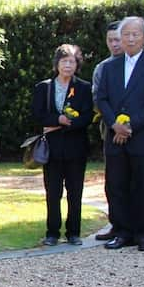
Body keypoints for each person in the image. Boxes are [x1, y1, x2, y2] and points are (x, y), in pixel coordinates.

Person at [93, 16, 144, 251]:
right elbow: (101, 98)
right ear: (120, 38)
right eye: (127, 34)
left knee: (143, 186)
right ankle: (122, 230)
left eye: (136, 34)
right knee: (116, 184)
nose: (131, 38)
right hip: (114, 136)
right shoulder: (109, 67)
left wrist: (130, 126)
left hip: (141, 136)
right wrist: (115, 124)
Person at [30, 45, 93, 246]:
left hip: (76, 147)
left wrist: (70, 122)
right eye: (64, 61)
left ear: (77, 64)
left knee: (75, 192)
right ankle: (52, 232)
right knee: (53, 192)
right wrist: (58, 119)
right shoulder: (44, 87)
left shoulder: (83, 88)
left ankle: (74, 231)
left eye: (72, 61)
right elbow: (37, 115)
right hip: (52, 149)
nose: (67, 65)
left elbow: (87, 116)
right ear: (57, 64)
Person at [94, 20, 124, 242]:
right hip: (110, 130)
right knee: (113, 180)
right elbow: (97, 98)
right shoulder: (102, 68)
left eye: (118, 39)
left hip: (136, 129)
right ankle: (116, 224)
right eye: (110, 40)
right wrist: (114, 123)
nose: (114, 44)